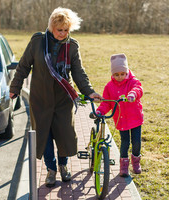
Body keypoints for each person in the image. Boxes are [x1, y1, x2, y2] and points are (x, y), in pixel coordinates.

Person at [9, 7, 102, 187]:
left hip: (63, 99)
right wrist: (15, 87)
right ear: (52, 27)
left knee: (64, 134)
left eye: (66, 30)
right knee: (45, 136)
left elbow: (78, 72)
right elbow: (23, 66)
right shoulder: (38, 42)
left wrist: (89, 91)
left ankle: (63, 166)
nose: (63, 33)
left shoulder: (72, 46)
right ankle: (51, 169)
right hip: (40, 99)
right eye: (59, 30)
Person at [95, 53, 144, 177]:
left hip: (135, 118)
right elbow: (107, 103)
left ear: (127, 71)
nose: (120, 77)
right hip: (121, 120)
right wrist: (100, 111)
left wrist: (133, 95)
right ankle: (123, 166)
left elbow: (138, 89)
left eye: (122, 74)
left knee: (136, 142)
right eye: (116, 74)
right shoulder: (109, 87)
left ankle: (136, 162)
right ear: (112, 74)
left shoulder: (133, 82)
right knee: (125, 142)